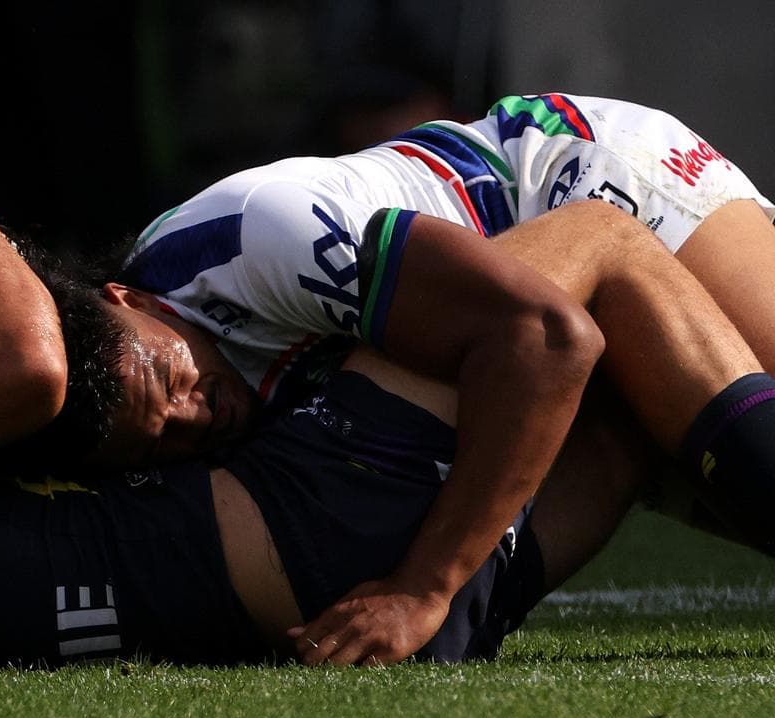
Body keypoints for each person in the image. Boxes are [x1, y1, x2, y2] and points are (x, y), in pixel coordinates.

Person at [0, 164, 774, 669]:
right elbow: (29, 369)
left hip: (299, 602)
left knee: (604, 406)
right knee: (597, 253)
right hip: (334, 531)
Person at [41, 93, 775, 663]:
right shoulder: (159, 378)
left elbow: (542, 338)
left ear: (127, 297)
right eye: (158, 442)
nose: (193, 418)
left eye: (168, 382)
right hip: (524, 312)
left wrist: (424, 589)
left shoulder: (258, 237)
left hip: (582, 178)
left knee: (759, 458)